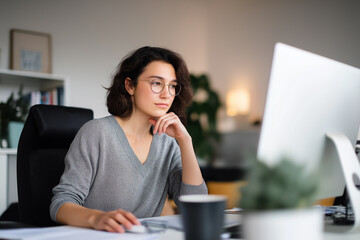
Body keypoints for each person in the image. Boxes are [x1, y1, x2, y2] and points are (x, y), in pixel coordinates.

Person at [50, 46, 208, 233]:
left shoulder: (168, 143)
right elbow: (60, 204)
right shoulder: (97, 133)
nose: (167, 94)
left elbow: (195, 206)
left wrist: (185, 141)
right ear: (130, 86)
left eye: (172, 86)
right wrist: (97, 218)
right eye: (156, 83)